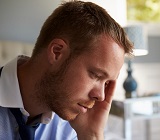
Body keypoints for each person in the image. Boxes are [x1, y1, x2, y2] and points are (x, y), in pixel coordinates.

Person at [0, 0, 133, 140]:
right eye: (96, 75)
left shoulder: (74, 125)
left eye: (106, 83)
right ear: (57, 52)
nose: (101, 96)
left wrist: (91, 135)